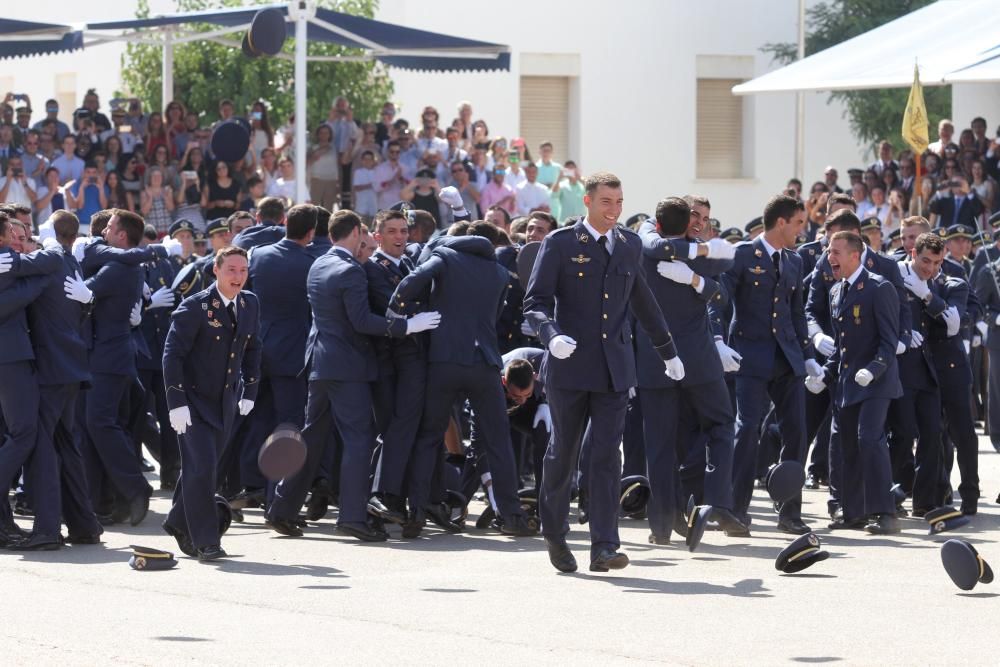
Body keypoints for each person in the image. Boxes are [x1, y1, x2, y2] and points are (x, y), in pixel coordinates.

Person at [523, 172, 684, 573]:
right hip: (570, 367)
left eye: (619, 202)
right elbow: (535, 302)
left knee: (607, 457)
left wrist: (668, 352)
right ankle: (555, 534)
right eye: (607, 202)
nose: (614, 210)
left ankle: (604, 546)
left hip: (615, 370)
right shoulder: (560, 244)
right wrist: (551, 336)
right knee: (564, 453)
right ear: (588, 202)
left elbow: (643, 302)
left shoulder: (629, 245)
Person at [267, 210, 440, 542]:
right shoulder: (351, 271)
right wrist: (406, 326)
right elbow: (362, 321)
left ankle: (282, 509)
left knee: (313, 439)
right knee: (359, 440)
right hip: (348, 368)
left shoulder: (318, 263)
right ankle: (352, 517)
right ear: (356, 234)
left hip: (320, 365)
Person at [389, 221, 536, 539]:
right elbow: (495, 316)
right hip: (484, 363)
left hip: (444, 360)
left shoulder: (444, 258)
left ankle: (415, 512)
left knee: (429, 438)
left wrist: (399, 312)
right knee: (498, 442)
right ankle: (511, 515)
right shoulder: (497, 272)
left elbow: (413, 281)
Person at [636, 198, 746, 543]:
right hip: (692, 360)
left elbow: (720, 295)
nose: (699, 223)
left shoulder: (644, 250)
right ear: (684, 220)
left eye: (705, 218)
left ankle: (668, 524)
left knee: (663, 443)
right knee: (718, 427)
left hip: (661, 361)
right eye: (694, 217)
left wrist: (693, 280)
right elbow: (722, 294)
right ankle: (710, 505)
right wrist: (697, 272)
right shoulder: (694, 251)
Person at [723, 194, 819, 535]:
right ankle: (734, 509)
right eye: (798, 223)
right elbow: (721, 302)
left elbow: (796, 313)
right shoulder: (743, 255)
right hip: (750, 355)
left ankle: (790, 512)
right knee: (747, 429)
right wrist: (719, 342)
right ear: (781, 222)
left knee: (797, 433)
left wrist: (808, 355)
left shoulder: (794, 261)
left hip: (787, 359)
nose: (802, 231)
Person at [162, 246, 261, 561]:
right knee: (203, 469)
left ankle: (178, 522)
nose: (238, 276)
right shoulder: (196, 307)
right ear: (216, 271)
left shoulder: (249, 304)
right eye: (231, 269)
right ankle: (206, 541)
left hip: (225, 402)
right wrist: (176, 401)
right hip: (192, 403)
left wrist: (250, 389)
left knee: (202, 468)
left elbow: (253, 347)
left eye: (243, 270)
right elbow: (172, 354)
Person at [15, 211, 105, 549]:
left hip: (52, 370)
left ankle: (47, 529)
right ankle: (84, 525)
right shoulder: (71, 262)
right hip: (70, 367)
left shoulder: (51, 257)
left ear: (51, 232)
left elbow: (20, 269)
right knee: (67, 446)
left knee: (43, 449)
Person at [806, 231, 902, 534]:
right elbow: (840, 347)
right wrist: (824, 374)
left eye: (835, 252)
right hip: (848, 383)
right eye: (828, 251)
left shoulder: (879, 287)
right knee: (845, 444)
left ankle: (885, 512)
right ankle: (853, 511)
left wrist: (873, 370)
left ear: (854, 255)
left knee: (869, 438)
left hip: (876, 382)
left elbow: (889, 342)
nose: (829, 257)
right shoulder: (836, 292)